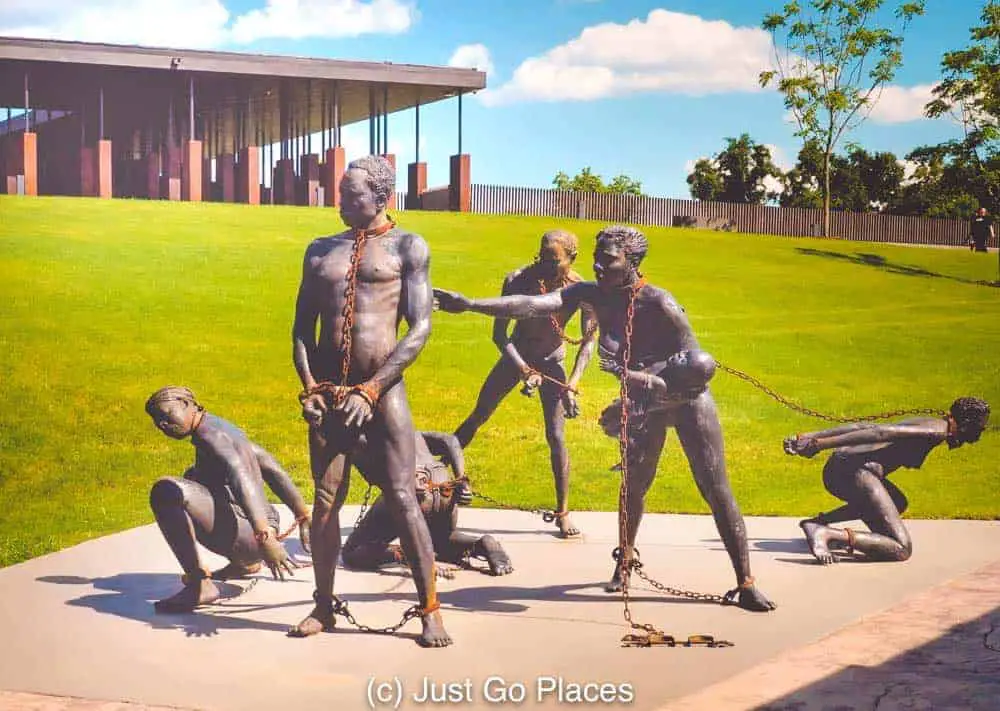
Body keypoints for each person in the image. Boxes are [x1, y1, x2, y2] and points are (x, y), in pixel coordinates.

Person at [434, 225, 775, 612]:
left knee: (715, 488)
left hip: (686, 400)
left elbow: (697, 369)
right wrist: (470, 304)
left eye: (609, 260)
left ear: (632, 262)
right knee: (634, 487)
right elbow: (531, 306)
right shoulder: (589, 294)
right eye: (597, 258)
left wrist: (645, 390)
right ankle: (625, 563)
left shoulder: (660, 303)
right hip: (642, 399)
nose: (599, 266)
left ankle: (745, 581)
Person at [289, 155, 451, 647]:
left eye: (350, 195)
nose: (339, 202)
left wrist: (374, 388)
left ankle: (429, 609)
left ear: (382, 198)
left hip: (383, 394)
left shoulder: (408, 246)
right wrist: (311, 387)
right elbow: (300, 331)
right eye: (340, 193)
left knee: (404, 499)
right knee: (324, 502)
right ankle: (323, 606)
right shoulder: (319, 251)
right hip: (329, 398)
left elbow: (420, 326)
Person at [453, 230, 598, 538]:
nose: (545, 264)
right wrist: (521, 369)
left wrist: (572, 383)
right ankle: (440, 475)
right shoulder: (518, 279)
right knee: (479, 414)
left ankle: (563, 512)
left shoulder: (581, 289)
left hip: (552, 363)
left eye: (554, 259)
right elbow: (499, 335)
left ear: (572, 259)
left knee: (556, 435)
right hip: (515, 357)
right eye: (542, 256)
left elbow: (588, 342)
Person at [145, 386, 310, 613]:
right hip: (257, 529)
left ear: (186, 403)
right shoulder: (219, 427)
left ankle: (199, 584)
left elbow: (241, 476)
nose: (162, 425)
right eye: (157, 421)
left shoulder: (210, 436)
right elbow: (271, 467)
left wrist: (264, 537)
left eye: (166, 415)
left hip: (252, 536)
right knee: (191, 477)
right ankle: (246, 564)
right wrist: (303, 515)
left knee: (166, 491)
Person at [785, 397, 990, 564]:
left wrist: (808, 437)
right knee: (901, 548)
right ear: (966, 423)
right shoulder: (935, 431)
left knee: (898, 503)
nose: (978, 435)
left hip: (843, 468)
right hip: (853, 472)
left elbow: (862, 426)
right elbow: (879, 432)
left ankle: (818, 522)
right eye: (978, 429)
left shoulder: (932, 423)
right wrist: (818, 445)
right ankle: (825, 533)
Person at [343, 430, 513, 576]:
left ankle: (409, 555)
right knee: (442, 542)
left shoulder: (358, 436)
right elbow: (451, 440)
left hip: (413, 488)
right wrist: (461, 479)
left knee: (352, 551)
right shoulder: (409, 429)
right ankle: (481, 544)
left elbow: (378, 478)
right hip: (443, 483)